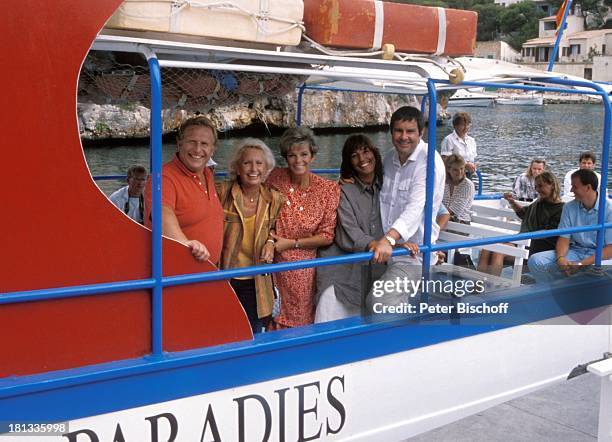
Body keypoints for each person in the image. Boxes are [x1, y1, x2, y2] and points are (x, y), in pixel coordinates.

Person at [367, 106, 446, 309]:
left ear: (421, 132)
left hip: (413, 256)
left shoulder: (429, 162)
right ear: (391, 132)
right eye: (398, 130)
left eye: (410, 131)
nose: (404, 137)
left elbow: (416, 208)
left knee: (380, 301)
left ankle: (398, 339)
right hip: (385, 249)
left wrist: (389, 239)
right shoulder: (389, 159)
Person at [266, 127, 340, 328]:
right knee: (273, 313)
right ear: (285, 157)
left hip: (305, 264)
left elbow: (326, 236)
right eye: (292, 155)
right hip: (273, 260)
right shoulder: (273, 178)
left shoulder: (327, 189)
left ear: (313, 156)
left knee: (301, 317)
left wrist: (292, 244)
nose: (298, 160)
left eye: (304, 154)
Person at [315, 134, 386, 323]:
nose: (362, 159)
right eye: (354, 155)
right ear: (349, 161)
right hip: (349, 264)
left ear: (374, 153)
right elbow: (350, 230)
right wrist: (374, 244)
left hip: (380, 260)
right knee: (332, 301)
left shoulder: (387, 186)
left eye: (365, 151)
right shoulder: (345, 190)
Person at [217, 139, 284, 333]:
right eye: (247, 163)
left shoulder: (275, 199)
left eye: (259, 163)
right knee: (223, 332)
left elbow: (278, 229)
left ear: (267, 169)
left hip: (257, 283)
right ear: (238, 168)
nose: (253, 168)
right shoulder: (222, 192)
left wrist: (271, 242)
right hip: (226, 278)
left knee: (251, 332)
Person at [144, 116, 223, 263]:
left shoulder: (207, 173)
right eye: (192, 142)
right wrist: (185, 243)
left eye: (204, 144)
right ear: (179, 144)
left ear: (213, 150)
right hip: (178, 274)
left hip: (208, 272)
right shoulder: (163, 177)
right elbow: (162, 212)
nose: (198, 149)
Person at [528, 169, 612, 282]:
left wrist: (582, 264)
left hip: (601, 256)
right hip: (576, 251)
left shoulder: (609, 209)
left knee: (596, 272)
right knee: (536, 261)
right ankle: (554, 294)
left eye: (575, 187)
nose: (571, 190)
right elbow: (564, 238)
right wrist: (561, 258)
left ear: (588, 188)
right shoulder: (569, 207)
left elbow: (610, 249)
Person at [478, 171, 564, 276]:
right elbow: (524, 213)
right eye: (536, 187)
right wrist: (512, 202)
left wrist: (520, 238)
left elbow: (549, 233)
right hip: (522, 242)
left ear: (552, 185)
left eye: (541, 186)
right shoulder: (539, 203)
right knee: (487, 248)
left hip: (537, 250)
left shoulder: (561, 209)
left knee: (498, 251)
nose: (537, 190)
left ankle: (490, 288)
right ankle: (478, 287)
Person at [440, 112, 477, 179]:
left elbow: (473, 159)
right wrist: (464, 165)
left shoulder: (471, 141)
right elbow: (445, 160)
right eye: (462, 125)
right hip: (454, 176)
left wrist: (473, 166)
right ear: (455, 126)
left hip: (469, 175)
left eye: (468, 124)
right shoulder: (449, 140)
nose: (466, 127)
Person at [443, 154, 475, 223]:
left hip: (461, 222)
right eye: (455, 170)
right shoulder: (443, 182)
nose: (459, 172)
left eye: (461, 169)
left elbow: (455, 210)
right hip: (444, 219)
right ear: (448, 169)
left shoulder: (468, 185)